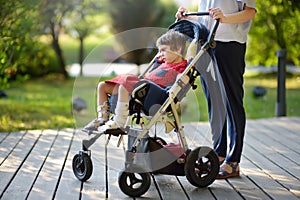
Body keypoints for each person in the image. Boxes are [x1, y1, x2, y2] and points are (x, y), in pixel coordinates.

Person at [176, 1, 256, 179]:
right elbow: (209, 17)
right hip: (206, 43)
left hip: (230, 45)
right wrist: (188, 16)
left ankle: (233, 162)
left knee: (231, 102)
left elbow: (250, 12)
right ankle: (219, 153)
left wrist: (225, 18)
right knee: (215, 102)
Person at [84, 29, 188, 131]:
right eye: (159, 51)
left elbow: (183, 78)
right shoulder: (161, 63)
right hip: (139, 89)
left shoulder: (181, 67)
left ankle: (119, 122)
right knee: (103, 86)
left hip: (150, 95)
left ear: (178, 49)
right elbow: (149, 75)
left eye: (163, 50)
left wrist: (181, 79)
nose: (160, 54)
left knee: (125, 84)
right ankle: (102, 118)